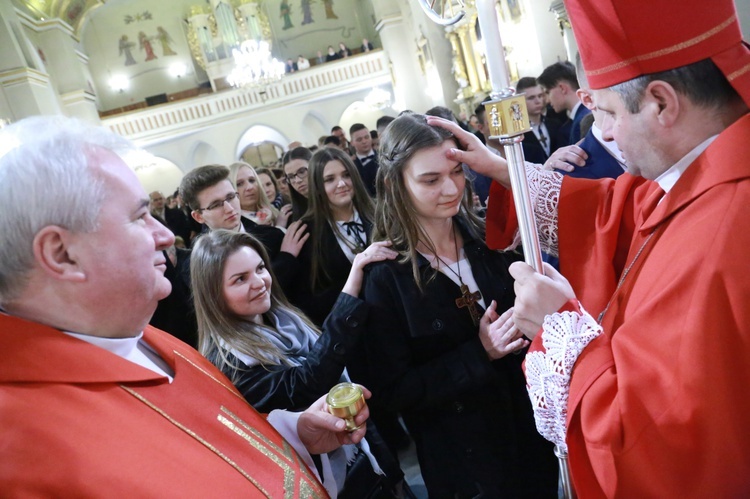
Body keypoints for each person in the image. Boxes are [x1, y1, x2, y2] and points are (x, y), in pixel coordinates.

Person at [427, 0, 750, 494]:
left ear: (661, 103)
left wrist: (559, 331)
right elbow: (622, 211)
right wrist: (501, 168)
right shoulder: (717, 170)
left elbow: (658, 442)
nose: (607, 134)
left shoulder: (724, 229)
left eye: (610, 113)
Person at [0, 115, 371, 495]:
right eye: (139, 216)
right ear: (62, 254)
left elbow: (210, 441)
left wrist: (295, 434)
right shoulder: (27, 451)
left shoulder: (148, 339)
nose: (163, 234)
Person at [350, 113, 558, 497]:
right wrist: (480, 353)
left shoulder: (487, 237)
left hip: (526, 432)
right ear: (396, 184)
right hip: (463, 459)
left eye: (457, 173)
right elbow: (394, 391)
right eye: (430, 180)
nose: (451, 189)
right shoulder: (386, 276)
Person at [191, 229, 403, 497]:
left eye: (260, 268)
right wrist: (352, 283)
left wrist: (387, 466)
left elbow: (340, 390)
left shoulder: (283, 319)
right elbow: (310, 381)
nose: (259, 282)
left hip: (364, 466)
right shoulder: (228, 363)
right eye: (240, 279)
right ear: (214, 295)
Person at [291, 147, 375, 326]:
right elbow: (311, 299)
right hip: (352, 327)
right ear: (318, 187)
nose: (342, 184)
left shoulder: (378, 213)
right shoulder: (307, 231)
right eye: (330, 179)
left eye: (346, 175)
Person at [537, 61, 591, 146]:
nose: (547, 100)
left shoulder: (583, 119)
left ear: (562, 88)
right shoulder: (582, 114)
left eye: (547, 92)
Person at [229, 161, 291, 229]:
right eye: (239, 184)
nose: (250, 187)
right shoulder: (236, 226)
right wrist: (280, 227)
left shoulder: (273, 211)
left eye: (252, 180)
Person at [515, 76, 563, 163]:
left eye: (540, 96)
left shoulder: (555, 124)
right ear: (519, 101)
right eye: (531, 98)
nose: (538, 101)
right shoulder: (518, 132)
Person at [281, 146, 312, 222]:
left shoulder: (337, 201)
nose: (297, 180)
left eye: (302, 172)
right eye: (291, 177)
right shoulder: (292, 216)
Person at [350, 123, 378, 197]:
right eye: (359, 139)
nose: (364, 141)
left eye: (366, 137)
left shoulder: (383, 157)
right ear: (352, 143)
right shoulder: (351, 165)